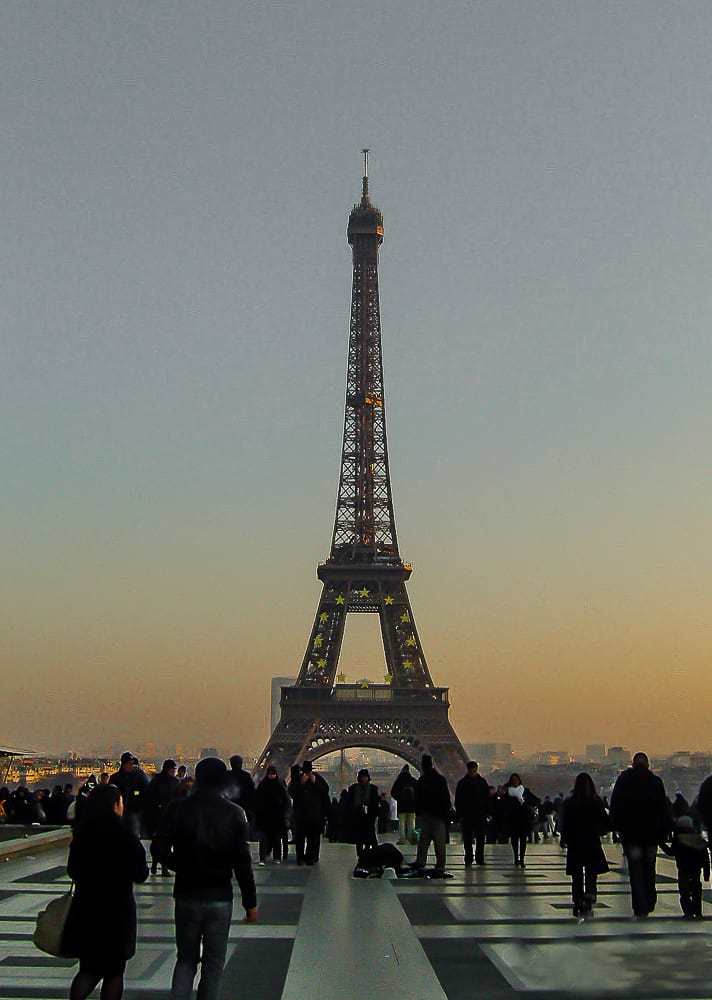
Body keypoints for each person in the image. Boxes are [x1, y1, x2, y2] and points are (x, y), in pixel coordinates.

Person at [152, 757, 258, 1000]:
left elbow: (157, 848)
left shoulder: (177, 808)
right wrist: (250, 903)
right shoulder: (235, 813)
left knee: (185, 960)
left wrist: (179, 866)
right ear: (223, 780)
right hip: (219, 896)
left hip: (186, 893)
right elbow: (243, 863)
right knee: (214, 962)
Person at [63, 784, 148, 1000]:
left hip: (87, 907)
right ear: (115, 805)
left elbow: (73, 870)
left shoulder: (83, 833)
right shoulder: (125, 834)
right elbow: (141, 873)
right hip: (117, 911)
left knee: (88, 969)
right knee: (114, 972)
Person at [610, 751, 671, 918]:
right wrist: (665, 830)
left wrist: (617, 828)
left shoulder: (624, 781)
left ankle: (640, 905)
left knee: (636, 871)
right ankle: (650, 898)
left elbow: (615, 805)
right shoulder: (655, 782)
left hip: (631, 835)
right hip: (651, 835)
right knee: (649, 868)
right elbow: (663, 808)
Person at [560, 773, 610, 920]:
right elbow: (605, 821)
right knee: (591, 873)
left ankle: (577, 899)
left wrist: (564, 838)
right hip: (591, 841)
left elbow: (565, 823)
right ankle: (589, 896)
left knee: (576, 874)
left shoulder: (570, 802)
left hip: (575, 841)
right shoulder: (596, 801)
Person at [662, 814, 710, 918]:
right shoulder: (698, 839)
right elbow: (705, 858)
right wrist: (707, 873)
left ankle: (687, 912)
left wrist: (661, 843)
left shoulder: (678, 839)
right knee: (697, 891)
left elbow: (671, 852)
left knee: (684, 892)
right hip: (696, 870)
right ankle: (697, 912)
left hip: (683, 869)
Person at [414, 754, 451, 875]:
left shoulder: (422, 781)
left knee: (423, 842)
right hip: (438, 816)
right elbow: (446, 798)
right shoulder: (440, 780)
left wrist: (419, 812)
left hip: (426, 815)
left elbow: (418, 798)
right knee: (439, 843)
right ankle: (440, 865)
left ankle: (421, 862)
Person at [288, 761, 330, 865]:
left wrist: (315, 782)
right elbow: (292, 792)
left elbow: (325, 791)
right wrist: (301, 783)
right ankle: (302, 858)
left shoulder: (316, 778)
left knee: (312, 838)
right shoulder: (298, 779)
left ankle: (311, 857)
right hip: (303, 815)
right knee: (303, 838)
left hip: (312, 815)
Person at [145, 760, 180, 875]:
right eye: (173, 769)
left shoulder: (159, 780)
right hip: (163, 816)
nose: (174, 771)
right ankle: (163, 867)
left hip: (163, 816)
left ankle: (156, 865)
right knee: (164, 842)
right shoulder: (171, 782)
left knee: (161, 842)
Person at [455, 761, 490, 867]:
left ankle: (471, 858)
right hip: (473, 815)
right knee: (471, 839)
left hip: (473, 815)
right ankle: (474, 858)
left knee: (474, 839)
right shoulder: (482, 782)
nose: (473, 771)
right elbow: (487, 799)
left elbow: (458, 800)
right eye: (472, 769)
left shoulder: (462, 783)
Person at [254, 765, 289, 865]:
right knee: (272, 838)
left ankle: (265, 858)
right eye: (271, 774)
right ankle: (273, 858)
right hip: (274, 816)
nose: (272, 776)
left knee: (269, 839)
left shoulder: (263, 785)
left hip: (268, 816)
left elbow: (257, 800)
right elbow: (285, 801)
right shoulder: (279, 785)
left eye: (272, 774)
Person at [109, 752, 149, 839]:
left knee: (133, 835)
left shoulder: (139, 776)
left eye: (132, 764)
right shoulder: (116, 778)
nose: (131, 766)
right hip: (120, 812)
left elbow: (146, 792)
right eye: (129, 764)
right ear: (123, 764)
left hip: (134, 811)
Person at [347, 769, 380, 859]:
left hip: (369, 815)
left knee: (370, 834)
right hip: (358, 815)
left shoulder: (372, 789)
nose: (364, 779)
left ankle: (371, 851)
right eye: (362, 777)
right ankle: (362, 853)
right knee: (360, 836)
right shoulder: (354, 789)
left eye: (365, 777)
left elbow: (375, 803)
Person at [505, 774, 537, 868]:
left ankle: (522, 859)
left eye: (516, 780)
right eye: (513, 780)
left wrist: (526, 803)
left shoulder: (525, 791)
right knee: (514, 840)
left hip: (524, 819)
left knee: (523, 840)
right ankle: (516, 858)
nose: (515, 781)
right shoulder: (507, 792)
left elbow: (535, 800)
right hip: (513, 819)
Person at [391, 764, 417, 845]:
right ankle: (411, 839)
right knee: (411, 823)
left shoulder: (399, 781)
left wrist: (399, 798)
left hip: (402, 806)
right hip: (412, 807)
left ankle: (402, 839)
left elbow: (393, 792)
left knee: (401, 824)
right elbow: (419, 792)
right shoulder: (413, 780)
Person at [227, 755, 256, 828]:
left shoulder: (227, 775)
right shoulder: (246, 775)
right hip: (244, 804)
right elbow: (251, 790)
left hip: (230, 804)